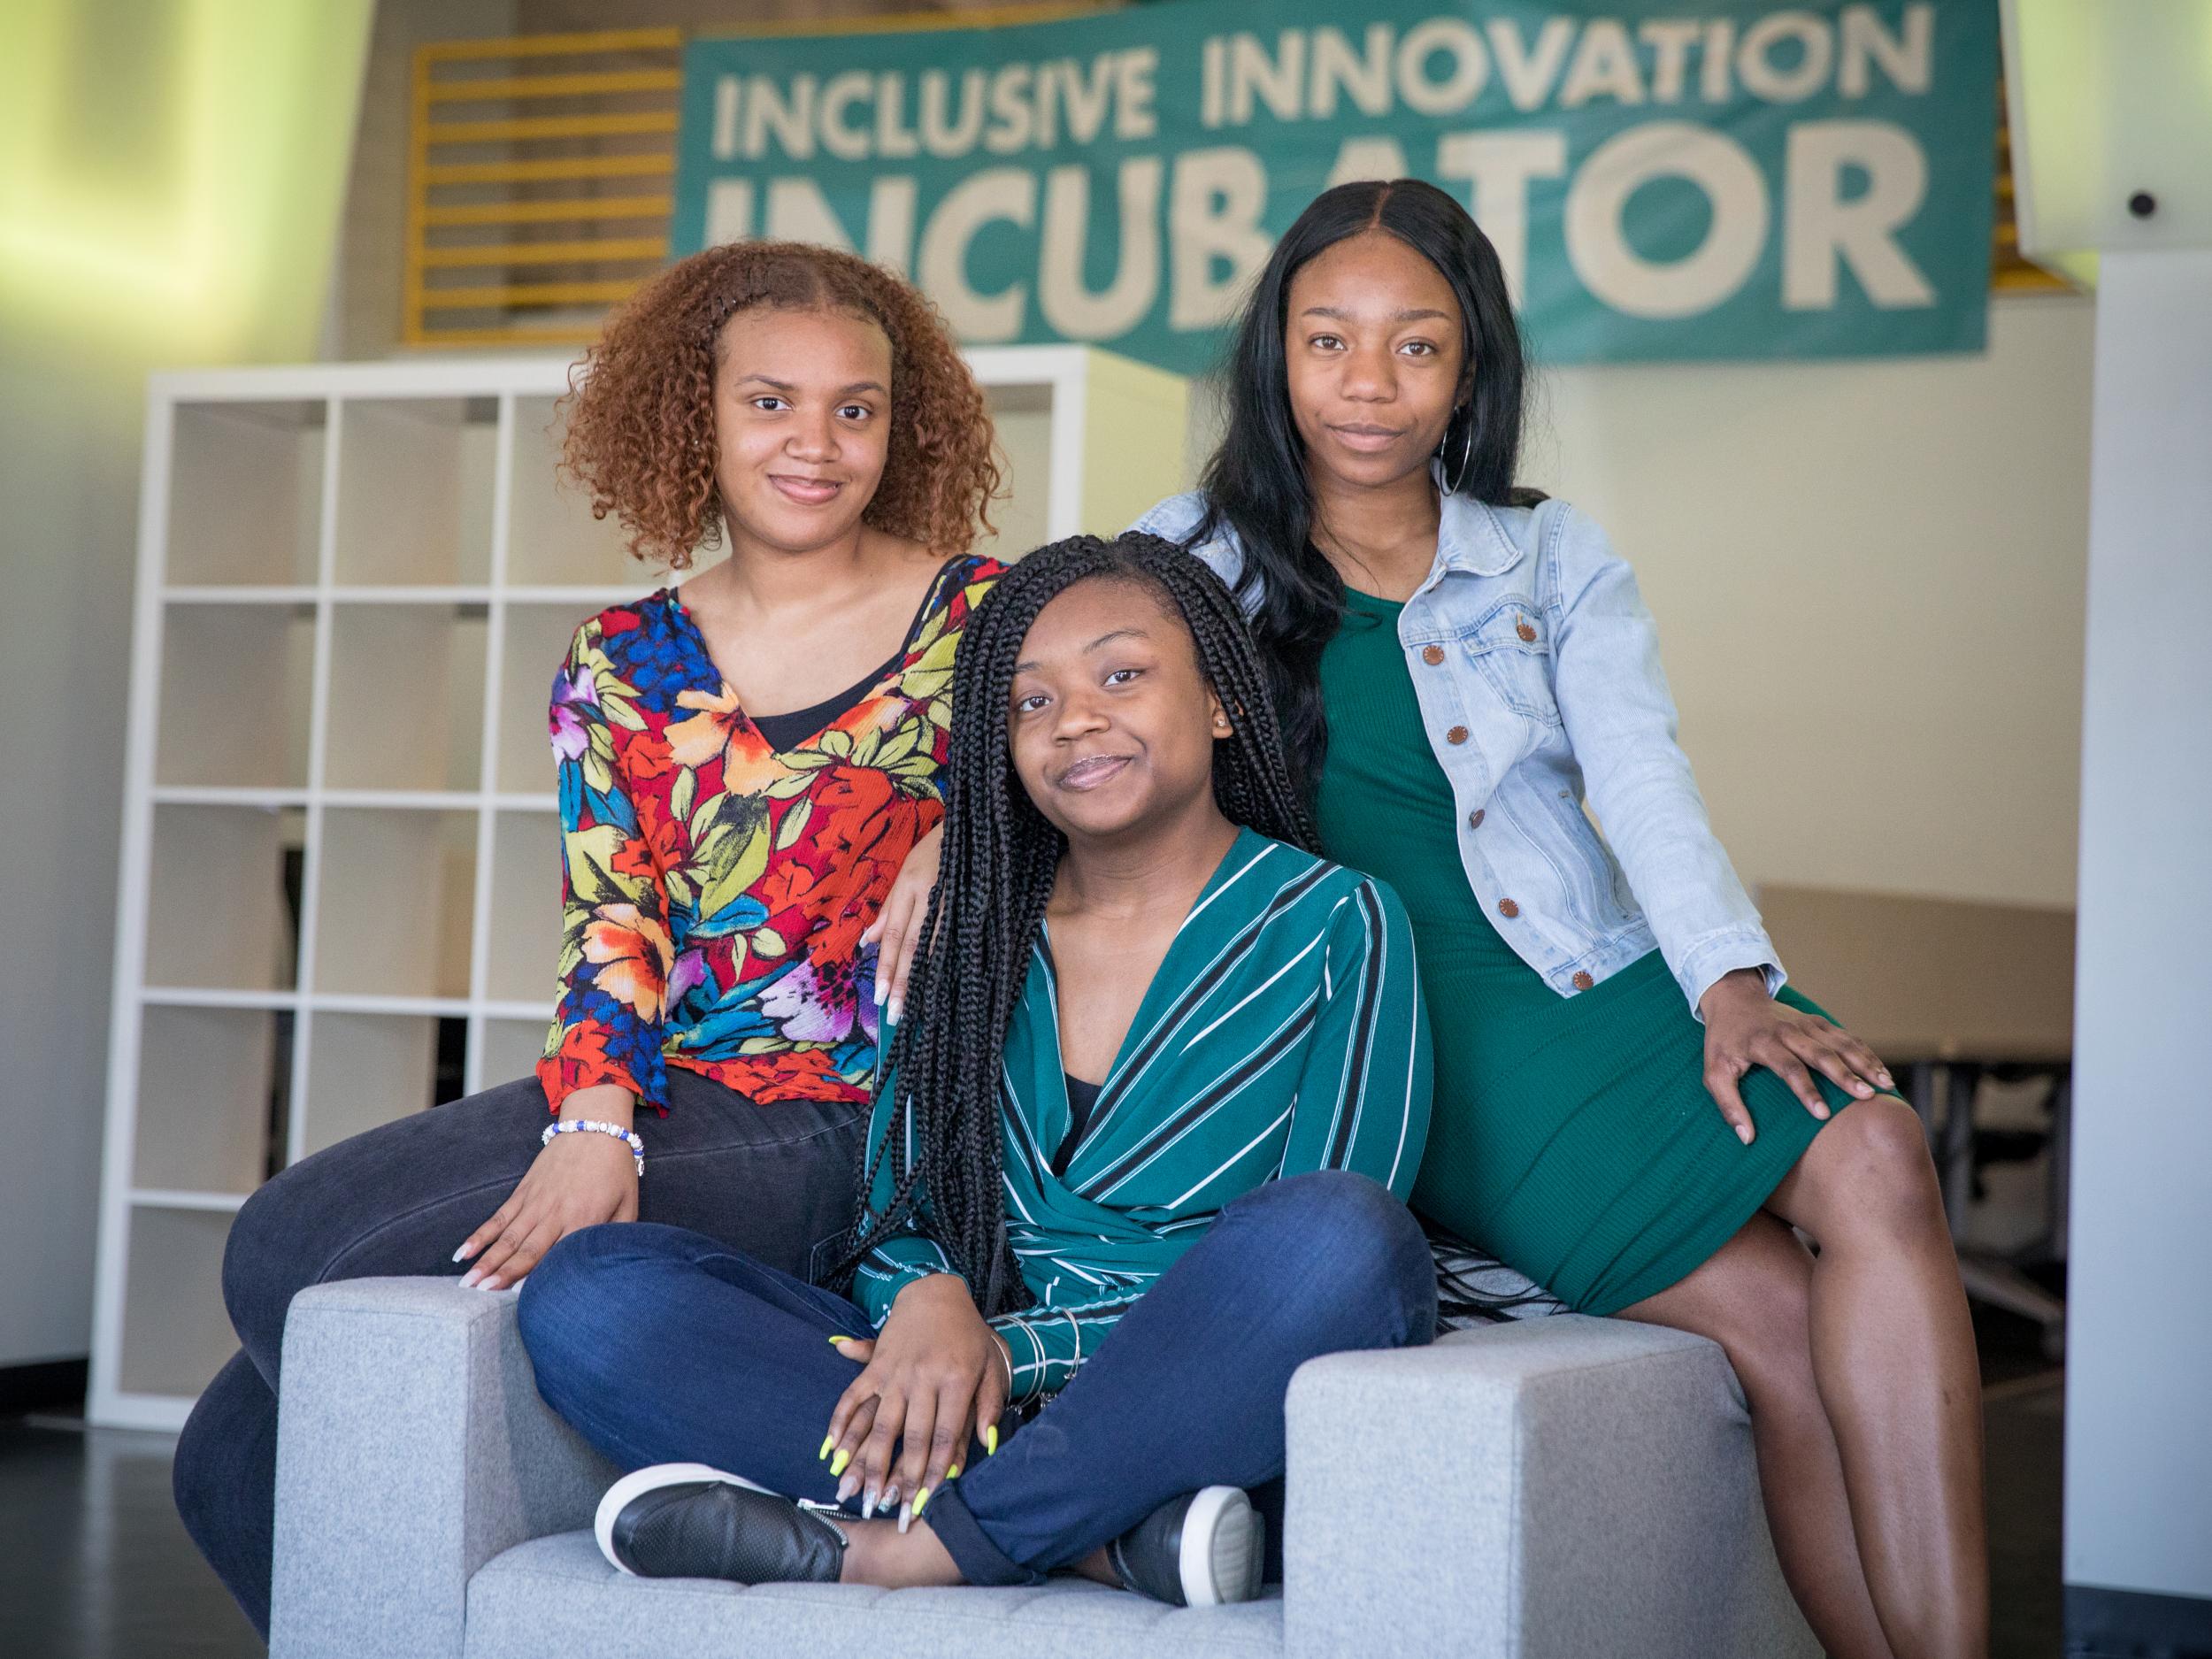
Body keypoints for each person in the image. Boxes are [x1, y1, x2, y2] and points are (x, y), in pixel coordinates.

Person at [1126, 180, 1988, 1659]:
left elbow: (1646, 781)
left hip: (1599, 982)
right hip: (1429, 1032)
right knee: (1788, 1307)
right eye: (1329, 341)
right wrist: (942, 853)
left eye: (1417, 346)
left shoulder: (1549, 556)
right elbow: (1054, 720)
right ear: (1277, 353)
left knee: (1868, 1164)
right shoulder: (1185, 558)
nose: (1369, 385)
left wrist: (1730, 982)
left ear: (1474, 368)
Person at [170, 241, 1006, 1636]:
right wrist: (596, 1122)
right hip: (679, 1096)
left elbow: (1101, 801)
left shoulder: (983, 619)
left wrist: (975, 830)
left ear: (899, 427)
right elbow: (612, 917)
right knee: (223, 1455)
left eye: (856, 408)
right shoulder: (622, 654)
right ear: (696, 414)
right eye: (771, 403)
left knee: (282, 1250)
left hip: (861, 1116)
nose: (816, 442)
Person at [515, 533, 1436, 1607]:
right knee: (589, 1293)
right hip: (974, 1385)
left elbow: (1323, 1241)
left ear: (1225, 702)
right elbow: (898, 1202)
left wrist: (1011, 1352)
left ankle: (908, 1547)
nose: (1074, 720)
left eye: (1122, 675)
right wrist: (928, 1295)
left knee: (1342, 1236)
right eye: (1026, 705)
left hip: (1189, 1386)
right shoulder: (965, 934)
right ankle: (1102, 1537)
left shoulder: (1338, 922)